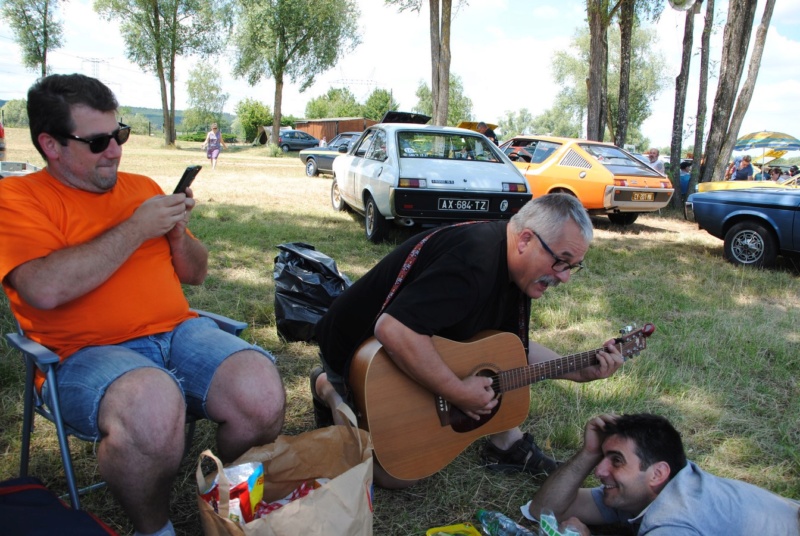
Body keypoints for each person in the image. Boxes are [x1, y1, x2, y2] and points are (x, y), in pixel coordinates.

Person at [0, 74, 285, 536]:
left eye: (119, 135)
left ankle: (226, 509)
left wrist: (174, 233)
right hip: (80, 356)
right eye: (97, 142)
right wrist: (136, 227)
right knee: (152, 404)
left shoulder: (142, 187)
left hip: (177, 331)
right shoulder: (17, 198)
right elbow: (43, 289)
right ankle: (155, 528)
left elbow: (196, 272)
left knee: (261, 392)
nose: (114, 150)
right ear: (50, 145)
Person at [311, 194, 625, 489]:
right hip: (356, 354)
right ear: (526, 240)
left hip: (418, 341)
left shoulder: (518, 271)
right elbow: (394, 329)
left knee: (490, 365)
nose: (565, 277)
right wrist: (457, 391)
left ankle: (506, 444)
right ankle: (328, 388)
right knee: (395, 475)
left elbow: (512, 350)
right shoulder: (474, 260)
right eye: (562, 261)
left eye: (572, 267)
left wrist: (579, 370)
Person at [527, 413, 800, 535]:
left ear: (658, 473)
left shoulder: (673, 518)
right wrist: (587, 453)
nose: (599, 471)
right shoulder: (645, 493)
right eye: (602, 457)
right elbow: (544, 510)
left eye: (616, 461)